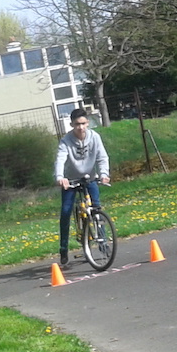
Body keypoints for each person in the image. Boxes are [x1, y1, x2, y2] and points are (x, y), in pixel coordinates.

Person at [54, 108, 110, 267]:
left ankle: (103, 243)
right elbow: (60, 159)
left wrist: (104, 174)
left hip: (89, 178)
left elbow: (102, 157)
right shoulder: (66, 141)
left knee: (96, 209)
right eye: (77, 124)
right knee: (66, 212)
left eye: (84, 123)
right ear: (72, 124)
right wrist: (60, 177)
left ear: (88, 123)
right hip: (71, 180)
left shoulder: (95, 137)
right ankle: (63, 249)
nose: (81, 127)